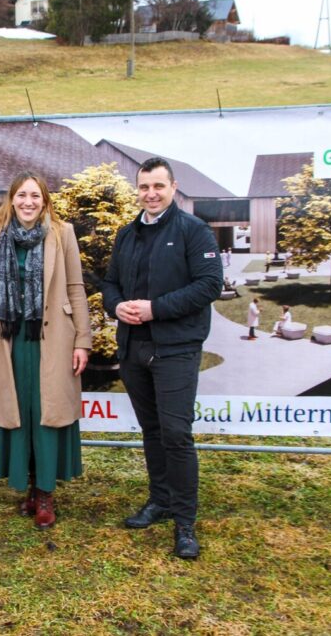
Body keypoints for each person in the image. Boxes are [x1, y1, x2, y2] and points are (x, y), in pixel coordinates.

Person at [101, 157, 223, 560]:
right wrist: (116, 307)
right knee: (152, 430)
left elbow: (209, 284)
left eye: (158, 186)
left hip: (175, 348)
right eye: (143, 187)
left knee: (176, 433)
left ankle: (185, 522)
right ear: (137, 190)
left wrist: (156, 309)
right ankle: (161, 500)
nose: (150, 194)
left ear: (173, 188)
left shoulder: (194, 230)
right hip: (134, 347)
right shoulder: (126, 234)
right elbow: (111, 284)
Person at [0, 173, 91, 530]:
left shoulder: (62, 233)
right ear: (11, 199)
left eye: (35, 196)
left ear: (45, 200)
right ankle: (26, 485)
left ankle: (45, 494)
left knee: (46, 412)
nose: (28, 202)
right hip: (7, 337)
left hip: (52, 337)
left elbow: (75, 287)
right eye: (22, 195)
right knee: (18, 412)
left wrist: (83, 340)